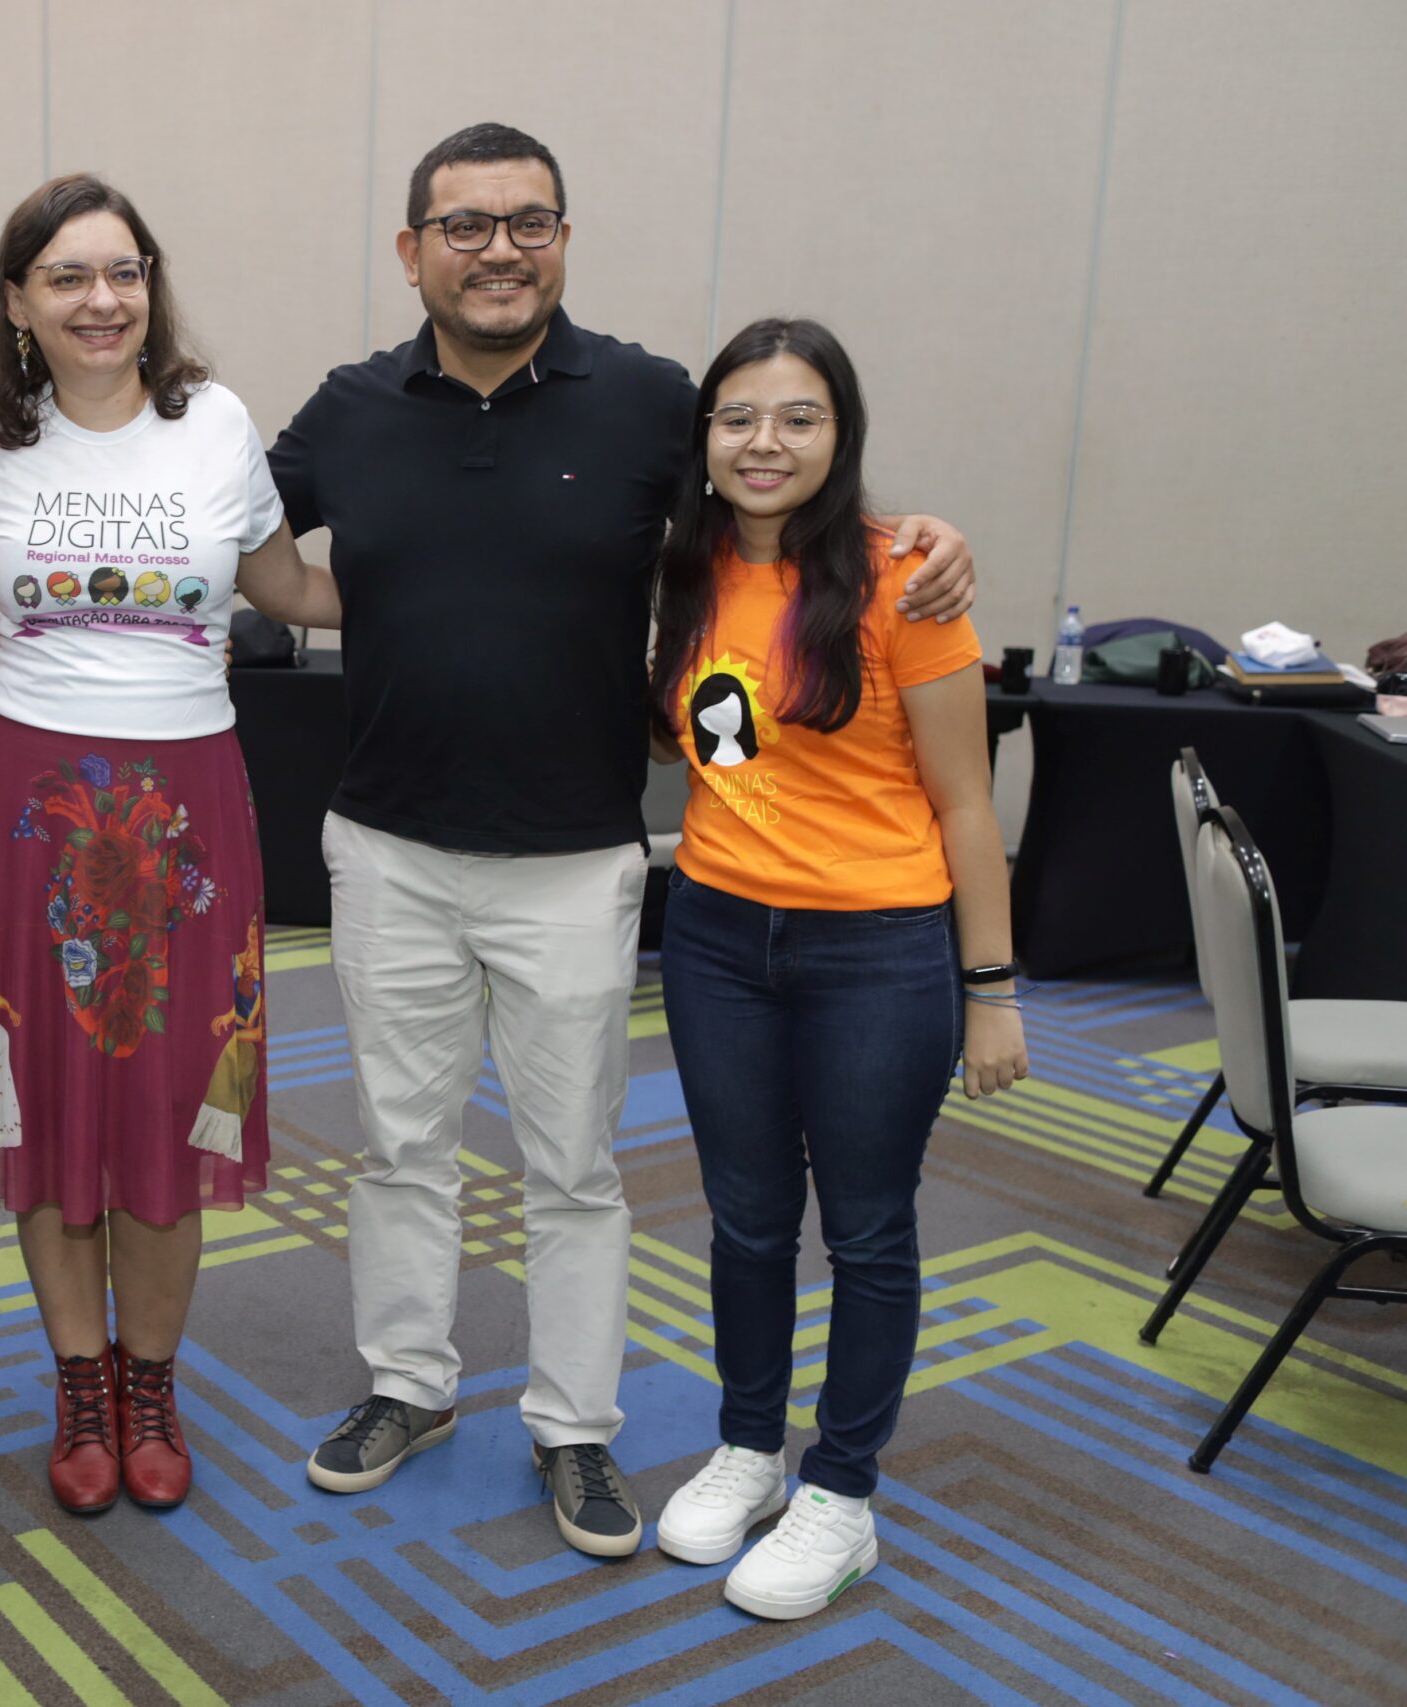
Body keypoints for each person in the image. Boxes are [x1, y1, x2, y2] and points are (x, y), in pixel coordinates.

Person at [268, 123, 977, 1556]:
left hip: (579, 854)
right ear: (412, 252)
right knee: (399, 1146)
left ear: (565, 243)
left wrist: (921, 531)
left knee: (574, 1163)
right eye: (465, 227)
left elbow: (781, 502)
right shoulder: (345, 409)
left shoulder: (653, 400)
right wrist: (363, 609)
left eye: (530, 222)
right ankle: (408, 1385)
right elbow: (247, 541)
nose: (500, 250)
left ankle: (573, 1423)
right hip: (390, 848)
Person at [0, 174, 339, 1517]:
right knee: (41, 1110)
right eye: (69, 276)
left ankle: (153, 1381)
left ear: (150, 285)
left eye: (124, 271)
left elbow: (287, 588)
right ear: (18, 301)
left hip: (190, 806)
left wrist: (468, 573)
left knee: (169, 1103)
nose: (103, 299)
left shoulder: (214, 424)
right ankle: (80, 1381)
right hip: (22, 807)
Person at [646, 317, 1026, 1618]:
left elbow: (968, 802)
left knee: (866, 1231)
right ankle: (750, 1449)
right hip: (712, 940)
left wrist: (992, 988)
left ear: (839, 435)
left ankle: (842, 1494)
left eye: (798, 417)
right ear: (703, 440)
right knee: (747, 1219)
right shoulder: (685, 570)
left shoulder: (903, 578)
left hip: (879, 953)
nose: (766, 442)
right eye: (738, 416)